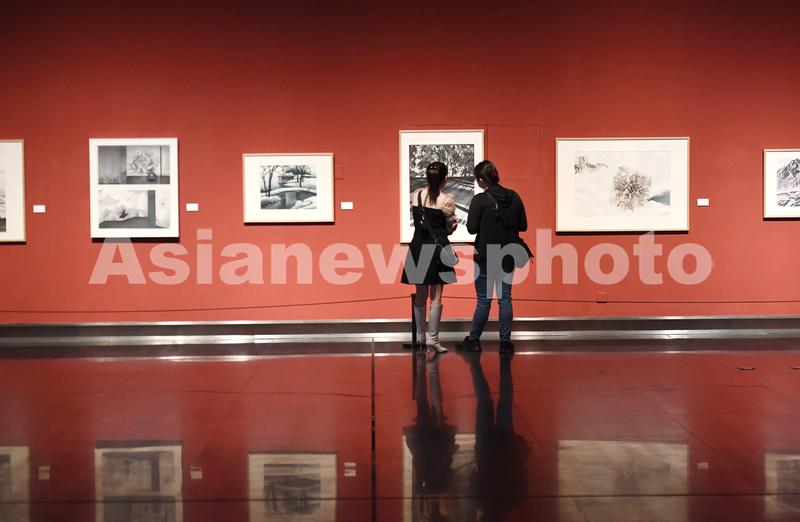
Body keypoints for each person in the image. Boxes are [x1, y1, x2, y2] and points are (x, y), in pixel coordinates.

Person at [456, 160, 528, 353]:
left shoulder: (480, 200)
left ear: (481, 180)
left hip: (486, 255)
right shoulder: (514, 196)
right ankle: (505, 342)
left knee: (483, 300)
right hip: (508, 253)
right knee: (505, 298)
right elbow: (523, 226)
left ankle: (474, 340)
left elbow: (471, 228)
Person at [401, 161, 458, 353]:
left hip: (418, 247)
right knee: (436, 295)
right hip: (437, 249)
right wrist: (451, 226)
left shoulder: (416, 195)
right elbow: (449, 228)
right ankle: (433, 339)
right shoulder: (446, 200)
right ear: (445, 179)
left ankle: (420, 336)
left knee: (420, 295)